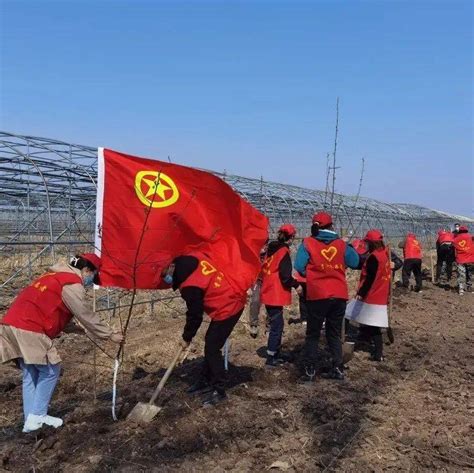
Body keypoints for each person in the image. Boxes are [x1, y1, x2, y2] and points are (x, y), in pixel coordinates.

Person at [0, 254, 123, 433]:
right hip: (30, 327)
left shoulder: (52, 276)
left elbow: (53, 308)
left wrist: (79, 330)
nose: (91, 282)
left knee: (31, 373)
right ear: (87, 270)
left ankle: (30, 421)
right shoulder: (72, 283)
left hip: (11, 323)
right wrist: (110, 334)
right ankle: (38, 416)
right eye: (93, 277)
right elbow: (84, 312)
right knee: (51, 368)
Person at [162, 252, 246, 406]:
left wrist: (186, 337)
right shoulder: (194, 258)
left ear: (172, 266)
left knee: (212, 348)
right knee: (210, 343)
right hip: (229, 294)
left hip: (229, 305)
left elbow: (195, 315)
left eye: (165, 274)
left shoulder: (190, 285)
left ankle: (219, 389)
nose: (166, 279)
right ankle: (205, 380)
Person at [295, 211, 359, 382]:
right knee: (334, 333)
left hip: (317, 294)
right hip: (338, 294)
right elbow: (355, 262)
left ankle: (309, 370)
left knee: (313, 333)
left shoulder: (307, 243)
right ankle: (337, 369)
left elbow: (299, 266)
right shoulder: (341, 244)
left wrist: (315, 273)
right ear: (331, 226)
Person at [259, 224, 302, 367]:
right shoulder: (283, 251)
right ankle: (271, 357)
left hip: (268, 289)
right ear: (291, 238)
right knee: (277, 325)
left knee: (277, 323)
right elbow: (285, 275)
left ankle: (276, 352)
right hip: (275, 292)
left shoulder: (271, 249)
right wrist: (296, 285)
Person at [345, 230, 390, 362]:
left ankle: (348, 342)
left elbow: (370, 278)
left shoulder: (373, 258)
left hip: (371, 295)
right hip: (381, 293)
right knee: (373, 325)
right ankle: (377, 353)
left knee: (349, 315)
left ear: (371, 243)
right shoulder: (384, 254)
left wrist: (361, 293)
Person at [248, 243, 268, 339]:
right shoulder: (254, 253)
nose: (264, 247)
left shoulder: (271, 253)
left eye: (265, 244)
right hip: (257, 280)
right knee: (255, 300)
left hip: (268, 280)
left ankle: (269, 327)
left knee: (270, 303)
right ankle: (253, 325)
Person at [453, 226, 474, 295]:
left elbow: (453, 248)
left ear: (459, 232)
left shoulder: (455, 239)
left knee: (461, 274)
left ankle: (461, 289)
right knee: (470, 274)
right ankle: (470, 288)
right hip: (471, 259)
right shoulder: (471, 237)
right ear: (467, 231)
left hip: (460, 259)